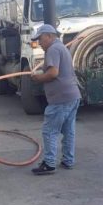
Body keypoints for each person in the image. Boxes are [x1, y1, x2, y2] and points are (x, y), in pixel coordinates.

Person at [30, 24, 81, 175]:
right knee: (68, 130)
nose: (39, 42)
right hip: (72, 96)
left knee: (49, 131)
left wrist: (38, 78)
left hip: (61, 99)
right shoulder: (61, 48)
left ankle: (49, 164)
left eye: (40, 39)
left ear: (49, 36)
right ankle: (68, 160)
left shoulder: (52, 49)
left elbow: (53, 73)